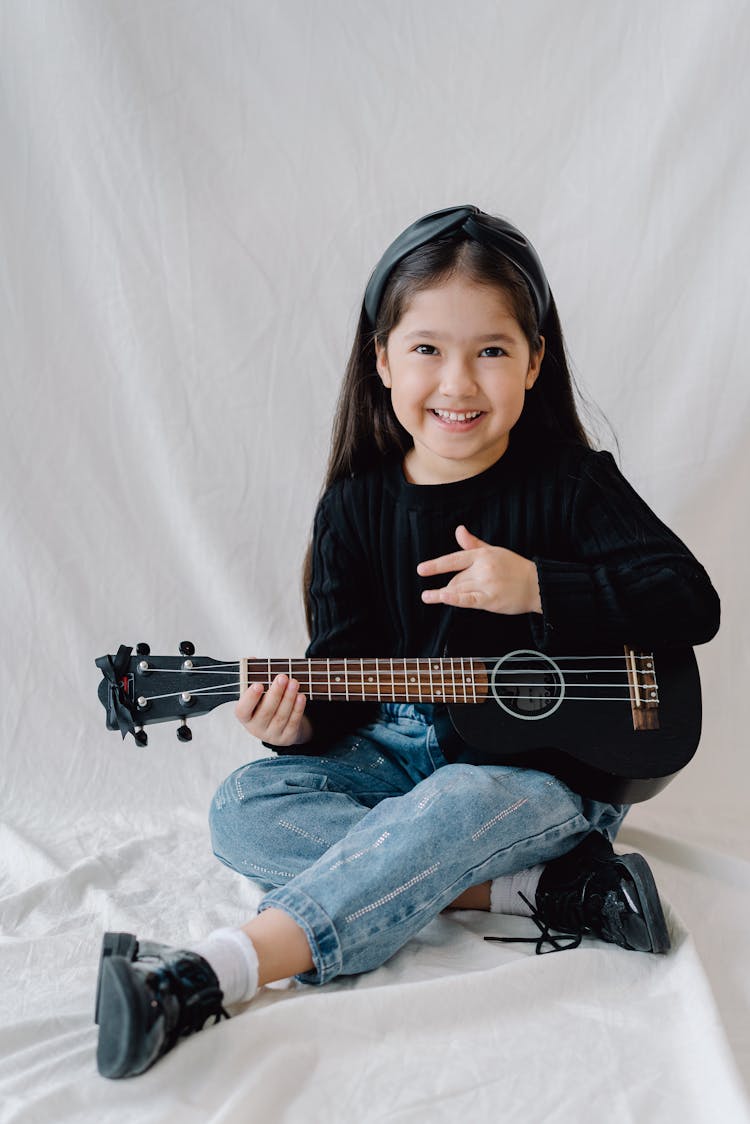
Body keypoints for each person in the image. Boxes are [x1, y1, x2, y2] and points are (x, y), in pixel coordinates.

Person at [94, 205, 720, 1079]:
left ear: (535, 361)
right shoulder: (355, 507)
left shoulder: (575, 486)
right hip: (396, 751)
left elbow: (690, 602)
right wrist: (296, 726)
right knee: (243, 809)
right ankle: (543, 892)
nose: (457, 381)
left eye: (490, 350)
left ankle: (211, 971)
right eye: (427, 349)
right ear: (381, 359)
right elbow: (345, 672)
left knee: (457, 802)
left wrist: (540, 586)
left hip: (542, 779)